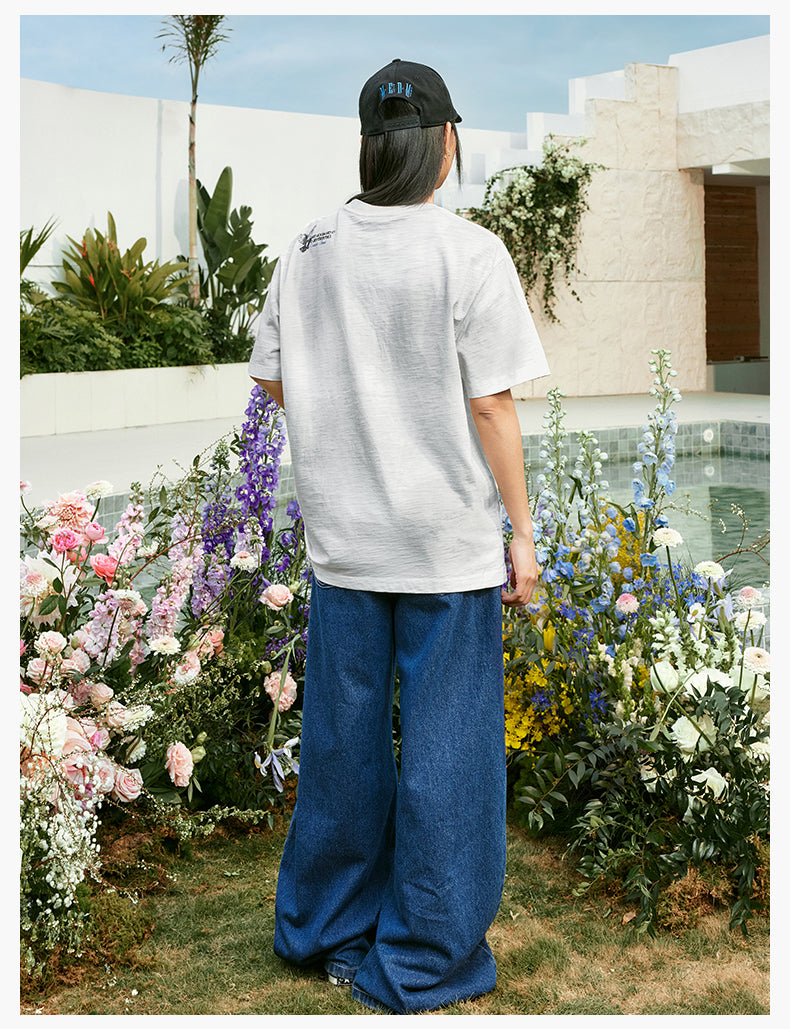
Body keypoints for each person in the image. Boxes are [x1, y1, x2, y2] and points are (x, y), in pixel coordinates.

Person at [248, 57, 549, 1015]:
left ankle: (327, 930)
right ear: (445, 144)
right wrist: (524, 535)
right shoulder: (470, 253)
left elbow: (274, 379)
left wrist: (346, 429)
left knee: (343, 748)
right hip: (444, 546)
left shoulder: (306, 249)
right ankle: (424, 956)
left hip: (345, 543)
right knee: (448, 753)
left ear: (371, 146)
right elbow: (492, 405)